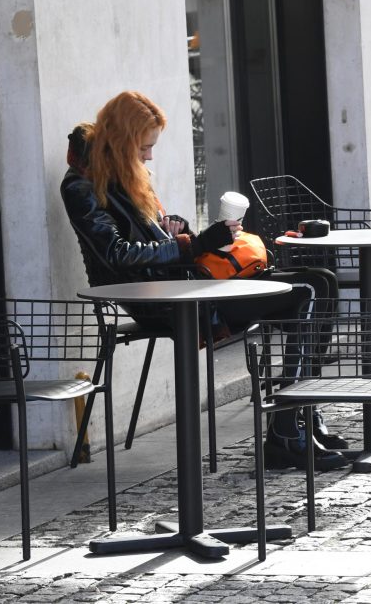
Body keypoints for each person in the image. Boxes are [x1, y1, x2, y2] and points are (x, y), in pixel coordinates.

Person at [61, 90, 349, 470]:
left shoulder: (126, 174)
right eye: (144, 147)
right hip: (160, 298)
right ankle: (286, 430)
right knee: (308, 290)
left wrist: (174, 227)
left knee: (322, 280)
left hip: (185, 281)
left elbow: (152, 237)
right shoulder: (80, 185)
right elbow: (116, 255)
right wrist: (192, 244)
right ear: (122, 141)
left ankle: (302, 416)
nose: (149, 156)